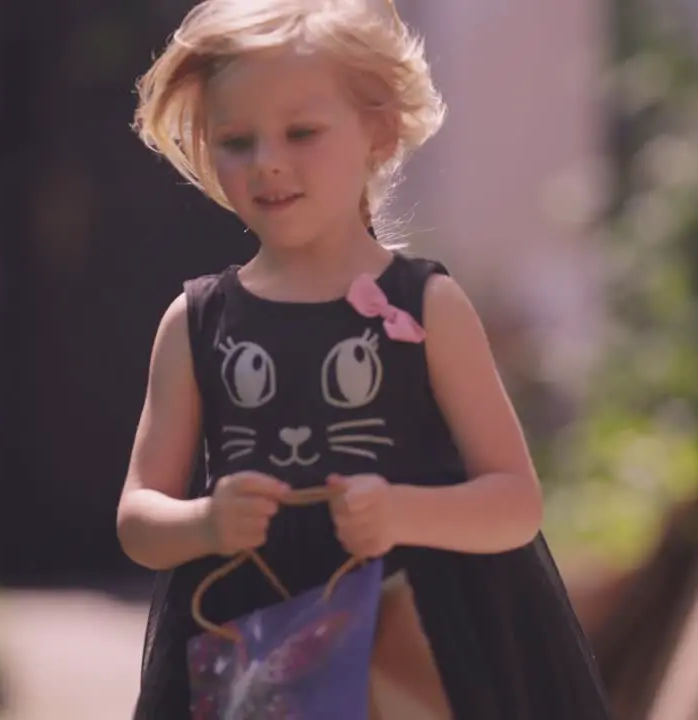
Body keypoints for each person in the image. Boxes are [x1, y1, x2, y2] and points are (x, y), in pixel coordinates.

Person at [118, 0, 612, 716]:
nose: (269, 162)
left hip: (422, 654)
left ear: (378, 131)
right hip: (251, 653)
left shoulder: (428, 307)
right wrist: (205, 524)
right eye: (236, 140)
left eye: (301, 132)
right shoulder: (195, 322)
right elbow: (138, 519)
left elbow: (515, 504)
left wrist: (403, 514)